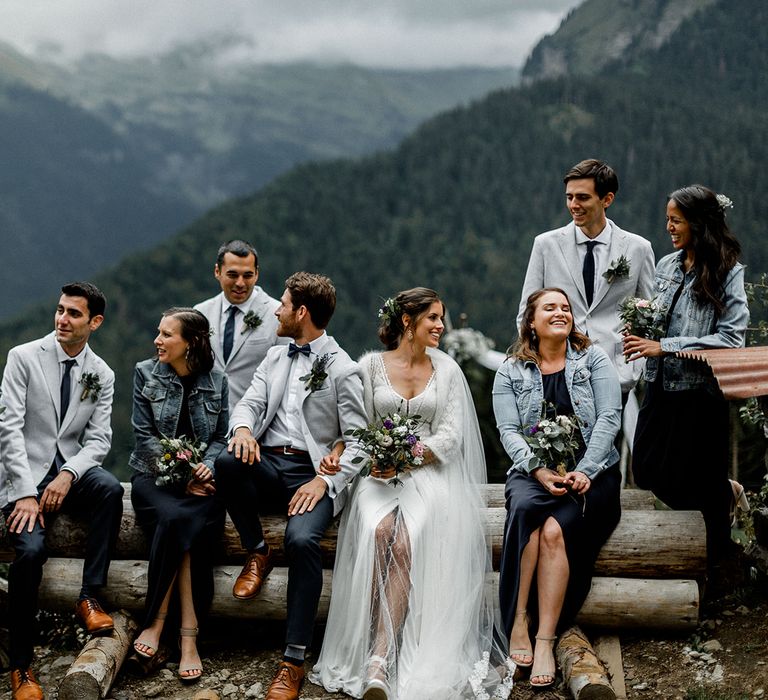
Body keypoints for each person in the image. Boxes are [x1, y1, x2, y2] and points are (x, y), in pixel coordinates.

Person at [312, 288, 505, 700]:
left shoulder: (447, 370)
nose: (440, 326)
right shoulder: (369, 367)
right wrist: (343, 451)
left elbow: (450, 438)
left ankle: (380, 657)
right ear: (407, 321)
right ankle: (374, 646)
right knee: (381, 531)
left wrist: (410, 458)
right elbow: (355, 428)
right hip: (377, 479)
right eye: (433, 318)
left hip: (429, 477)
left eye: (440, 317)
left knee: (406, 537)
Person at [215, 272, 367, 700]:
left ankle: (293, 661)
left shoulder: (343, 367)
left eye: (283, 305)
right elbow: (249, 402)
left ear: (301, 312)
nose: (277, 311)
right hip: (266, 463)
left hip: (312, 474)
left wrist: (323, 481)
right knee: (227, 460)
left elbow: (360, 442)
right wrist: (243, 430)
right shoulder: (275, 356)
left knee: (302, 542)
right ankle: (257, 552)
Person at [0, 282, 123, 700]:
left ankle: (89, 597)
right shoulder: (23, 358)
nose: (61, 319)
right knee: (31, 552)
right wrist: (24, 492)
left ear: (95, 322)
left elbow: (99, 440)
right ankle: (22, 667)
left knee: (109, 489)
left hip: (66, 474)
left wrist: (68, 473)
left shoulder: (101, 372)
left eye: (73, 313)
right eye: (59, 310)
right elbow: (9, 429)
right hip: (23, 479)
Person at [494, 287, 622, 689]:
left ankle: (546, 639)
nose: (560, 312)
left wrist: (586, 469)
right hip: (533, 471)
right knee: (527, 516)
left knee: (553, 531)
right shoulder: (511, 370)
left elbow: (609, 418)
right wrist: (537, 469)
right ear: (531, 321)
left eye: (565, 307)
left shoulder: (593, 359)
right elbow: (509, 431)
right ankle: (519, 621)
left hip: (594, 472)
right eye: (549, 307)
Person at [624, 185, 748, 568]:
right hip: (660, 385)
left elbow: (732, 338)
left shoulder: (728, 272)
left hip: (701, 394)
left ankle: (717, 567)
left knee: (701, 479)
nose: (669, 228)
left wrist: (668, 345)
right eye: (667, 219)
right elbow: (660, 315)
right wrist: (642, 328)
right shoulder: (666, 265)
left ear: (698, 223)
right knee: (645, 468)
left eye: (675, 221)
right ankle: (724, 495)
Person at [129, 308, 229, 683]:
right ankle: (185, 633)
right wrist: (184, 474)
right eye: (159, 332)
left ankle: (158, 626)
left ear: (191, 342)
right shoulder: (145, 373)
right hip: (153, 479)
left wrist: (207, 467)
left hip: (202, 486)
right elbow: (144, 438)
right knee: (177, 519)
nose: (157, 340)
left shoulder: (217, 380)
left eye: (167, 335)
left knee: (184, 522)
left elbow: (221, 437)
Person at [517, 159, 655, 395]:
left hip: (616, 377)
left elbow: (650, 317)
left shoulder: (638, 248)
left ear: (607, 199)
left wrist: (633, 368)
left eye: (582, 197)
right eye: (569, 197)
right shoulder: (545, 245)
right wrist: (540, 363)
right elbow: (526, 312)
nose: (573, 205)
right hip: (556, 374)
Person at [194, 239, 284, 412]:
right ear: (217, 271)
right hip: (207, 424)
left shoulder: (278, 314)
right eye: (233, 275)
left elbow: (286, 377)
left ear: (257, 274)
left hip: (257, 427)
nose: (240, 283)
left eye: (248, 275)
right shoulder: (200, 313)